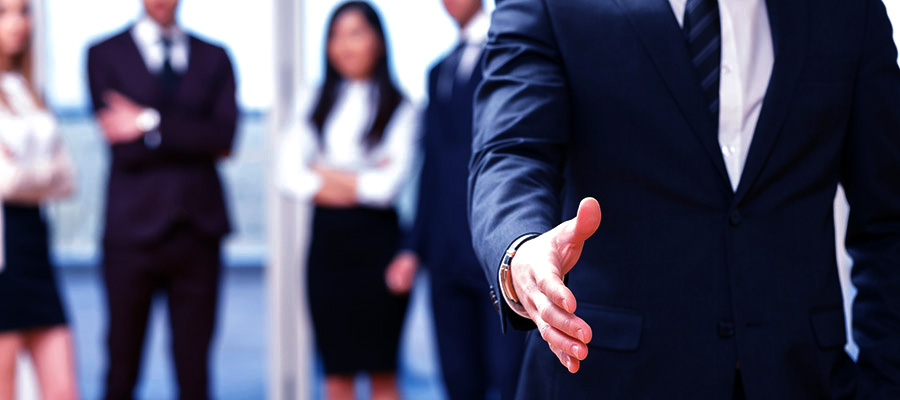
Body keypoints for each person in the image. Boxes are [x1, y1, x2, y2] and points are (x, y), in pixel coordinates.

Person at [469, 0, 900, 398]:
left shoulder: (850, 8)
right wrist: (521, 250)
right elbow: (512, 151)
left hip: (804, 379)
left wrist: (886, 380)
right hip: (608, 377)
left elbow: (888, 216)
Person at [86, 0, 238, 398]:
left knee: (195, 370)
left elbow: (223, 138)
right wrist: (191, 135)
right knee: (122, 365)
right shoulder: (104, 54)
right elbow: (125, 149)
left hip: (198, 230)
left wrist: (148, 122)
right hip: (130, 234)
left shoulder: (215, 56)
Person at [277, 2, 418, 399]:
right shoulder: (312, 100)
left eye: (356, 33)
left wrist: (321, 170)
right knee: (336, 371)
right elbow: (287, 174)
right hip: (328, 249)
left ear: (378, 41)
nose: (344, 45)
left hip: (379, 247)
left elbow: (386, 188)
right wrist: (362, 175)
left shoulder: (401, 106)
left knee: (382, 370)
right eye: (336, 36)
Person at [384, 1, 525, 399]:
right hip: (446, 252)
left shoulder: (513, 50)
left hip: (499, 247)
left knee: (511, 375)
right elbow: (433, 168)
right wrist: (413, 247)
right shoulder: (439, 70)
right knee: (458, 377)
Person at [0, 0, 79, 398]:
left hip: (35, 247)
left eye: (24, 11)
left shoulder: (29, 91)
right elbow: (5, 182)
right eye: (3, 12)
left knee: (63, 387)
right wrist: (41, 174)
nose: (18, 23)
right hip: (3, 255)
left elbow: (68, 179)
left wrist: (25, 175)